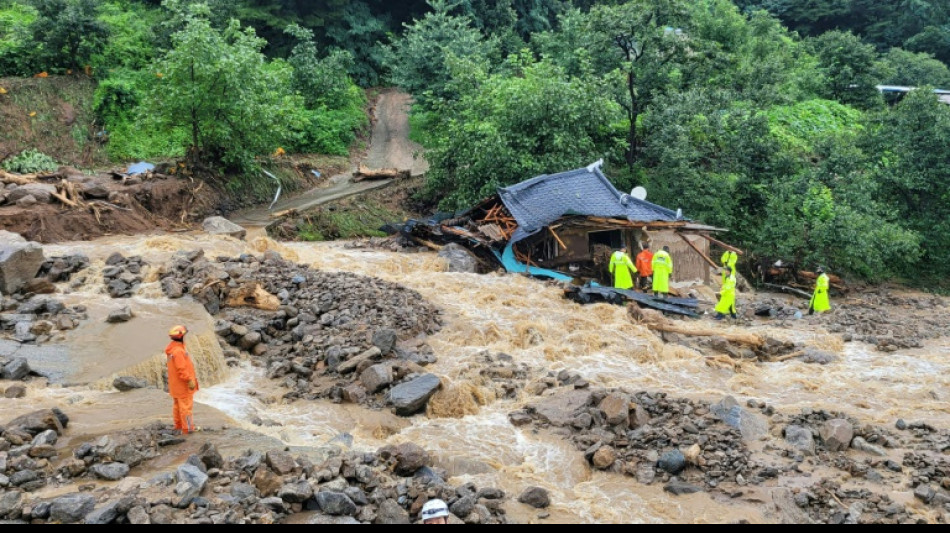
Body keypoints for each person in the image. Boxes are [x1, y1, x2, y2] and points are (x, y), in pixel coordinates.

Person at [165, 325, 199, 435]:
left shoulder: (172, 349)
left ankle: (178, 426)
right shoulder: (178, 351)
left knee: (177, 406)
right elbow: (182, 369)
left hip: (175, 386)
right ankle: (188, 429)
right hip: (182, 385)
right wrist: (189, 380)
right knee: (186, 408)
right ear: (181, 337)